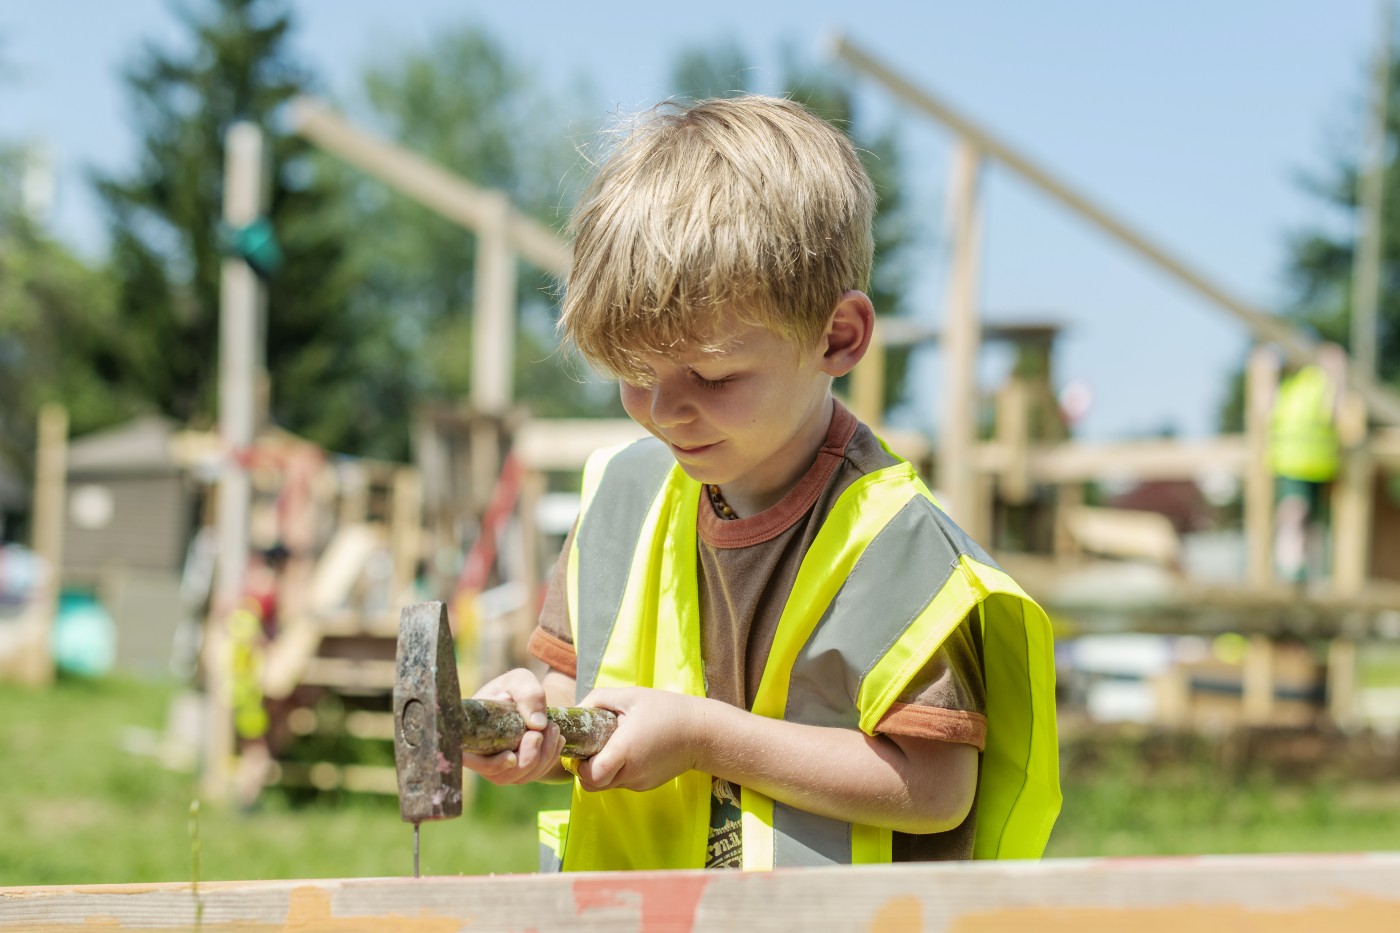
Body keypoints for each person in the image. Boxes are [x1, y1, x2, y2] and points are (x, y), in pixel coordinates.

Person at [464, 95, 1060, 871]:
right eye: (635, 374)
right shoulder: (619, 501)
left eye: (711, 375)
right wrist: (534, 727)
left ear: (837, 337)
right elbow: (583, 702)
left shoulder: (898, 547)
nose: (668, 410)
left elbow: (936, 786)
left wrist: (704, 736)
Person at [1268, 343, 1346, 584]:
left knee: (1310, 524)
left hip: (1317, 466)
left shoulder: (1316, 382)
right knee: (1294, 515)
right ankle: (1289, 569)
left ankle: (1304, 573)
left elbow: (1335, 411)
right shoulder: (1287, 385)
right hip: (1291, 465)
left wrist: (1338, 373)